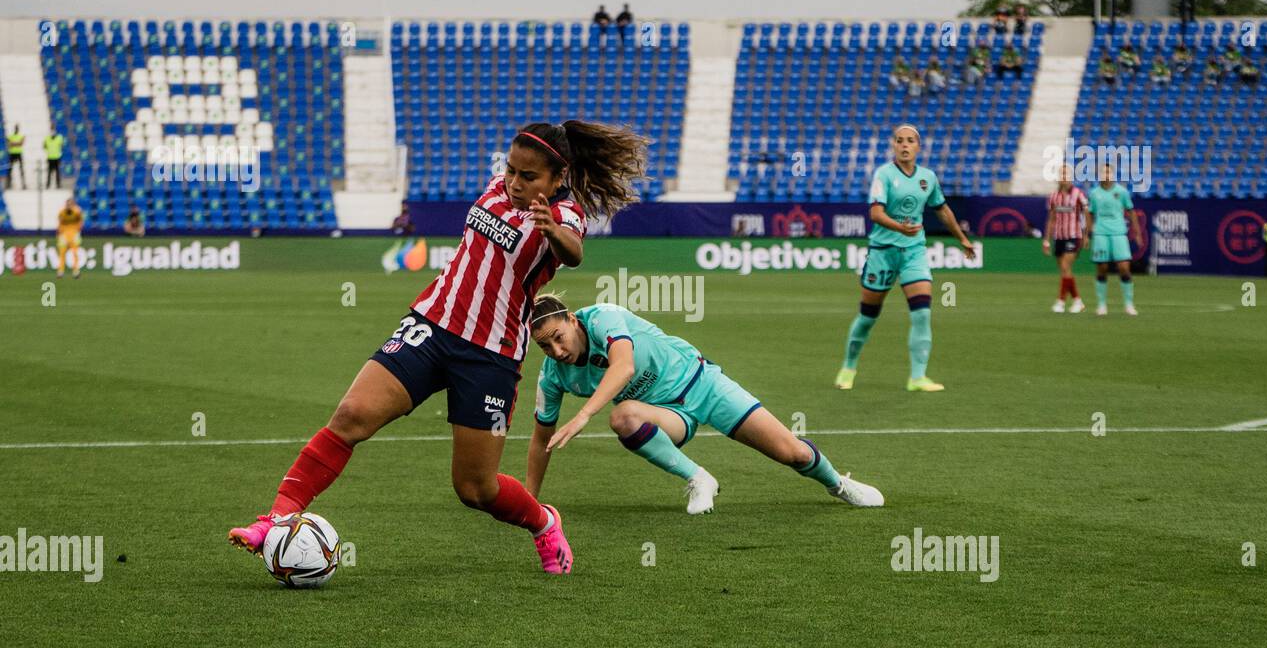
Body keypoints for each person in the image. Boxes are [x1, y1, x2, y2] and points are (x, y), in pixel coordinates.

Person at [227, 121, 646, 576]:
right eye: (511, 170)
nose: (515, 181)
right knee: (350, 417)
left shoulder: (565, 215)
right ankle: (276, 519)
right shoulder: (495, 188)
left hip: (490, 355)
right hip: (431, 325)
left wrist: (549, 229)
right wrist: (512, 190)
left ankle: (544, 522)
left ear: (557, 177)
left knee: (475, 488)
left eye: (529, 176)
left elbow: (573, 253)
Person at [526, 298, 884, 516]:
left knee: (792, 453)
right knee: (623, 417)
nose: (557, 351)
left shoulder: (603, 317)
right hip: (668, 415)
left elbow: (625, 366)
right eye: (545, 347)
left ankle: (838, 484)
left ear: (572, 320)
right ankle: (699, 479)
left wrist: (584, 414)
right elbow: (540, 439)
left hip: (704, 384)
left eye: (559, 338)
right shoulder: (553, 376)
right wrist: (528, 502)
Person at [835, 124, 976, 393]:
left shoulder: (928, 177)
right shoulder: (884, 175)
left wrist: (962, 238)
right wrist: (901, 228)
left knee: (922, 313)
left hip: (914, 252)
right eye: (899, 141)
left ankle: (917, 377)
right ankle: (849, 366)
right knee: (868, 316)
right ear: (894, 145)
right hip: (883, 252)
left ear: (918, 146)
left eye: (910, 141)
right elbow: (875, 214)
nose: (904, 145)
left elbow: (942, 209)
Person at [1085, 162, 1140, 316]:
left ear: (1113, 175)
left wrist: (1137, 232)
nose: (1106, 175)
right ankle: (1101, 305)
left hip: (1118, 233)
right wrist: (1088, 233)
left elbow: (1131, 211)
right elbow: (1089, 213)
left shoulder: (1122, 192)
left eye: (1108, 172)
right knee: (1102, 267)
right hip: (1101, 233)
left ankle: (1129, 304)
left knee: (1124, 267)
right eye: (1103, 172)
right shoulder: (1094, 193)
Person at [1043, 162, 1089, 312]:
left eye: (1066, 174)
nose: (1064, 177)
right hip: (1059, 236)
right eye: (1061, 174)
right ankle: (1077, 301)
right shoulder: (1054, 197)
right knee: (1064, 270)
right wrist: (1046, 240)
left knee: (1065, 266)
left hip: (1073, 235)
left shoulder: (1078, 195)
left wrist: (1086, 235)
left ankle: (1061, 301)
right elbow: (1051, 219)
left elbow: (1086, 215)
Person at [56, 196, 84, 278]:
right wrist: (59, 232)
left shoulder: (77, 211)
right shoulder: (62, 212)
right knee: (62, 253)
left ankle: (76, 271)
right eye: (68, 204)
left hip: (74, 233)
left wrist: (78, 230)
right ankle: (60, 271)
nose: (69, 206)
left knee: (75, 253)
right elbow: (60, 222)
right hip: (64, 234)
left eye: (71, 204)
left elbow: (80, 220)